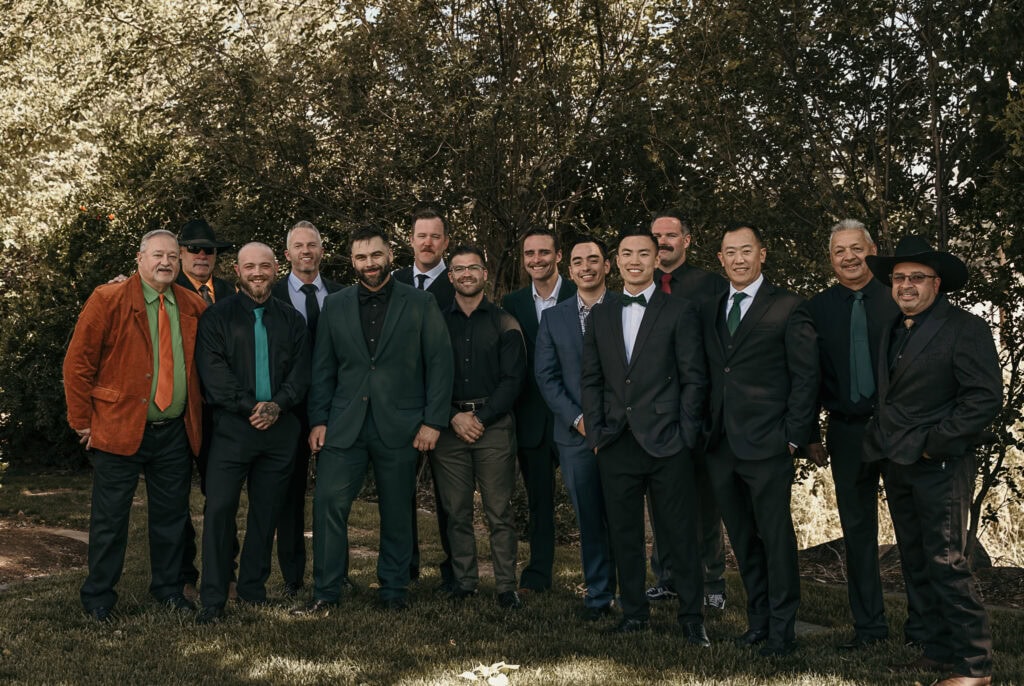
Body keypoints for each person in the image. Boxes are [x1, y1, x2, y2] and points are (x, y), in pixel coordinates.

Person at [864, 235, 1001, 686]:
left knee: (946, 561)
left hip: (940, 464)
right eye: (899, 278)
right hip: (898, 463)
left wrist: (933, 443)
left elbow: (983, 399)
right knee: (917, 559)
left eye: (916, 278)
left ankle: (974, 665)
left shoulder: (965, 328)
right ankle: (939, 651)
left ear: (936, 283)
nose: (906, 285)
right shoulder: (893, 328)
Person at [296, 226, 454, 613]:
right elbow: (323, 369)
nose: (370, 264)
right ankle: (326, 592)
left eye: (376, 256)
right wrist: (318, 419)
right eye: (362, 257)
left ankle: (394, 589)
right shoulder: (335, 305)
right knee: (329, 504)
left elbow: (439, 364)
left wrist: (433, 421)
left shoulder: (419, 304)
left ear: (390, 256)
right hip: (343, 423)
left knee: (397, 508)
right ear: (352, 261)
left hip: (401, 425)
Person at [63, 229, 205, 621]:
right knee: (109, 521)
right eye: (158, 255)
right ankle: (98, 598)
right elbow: (77, 365)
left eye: (173, 257)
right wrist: (82, 423)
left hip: (174, 431)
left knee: (172, 518)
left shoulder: (193, 305)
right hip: (117, 427)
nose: (166, 262)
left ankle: (168, 589)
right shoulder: (107, 299)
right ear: (140, 259)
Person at [580, 227, 709, 645]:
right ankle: (634, 612)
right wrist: (597, 433)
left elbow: (694, 379)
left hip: (668, 441)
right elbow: (592, 379)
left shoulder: (679, 311)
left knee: (679, 534)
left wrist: (687, 434)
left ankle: (692, 617)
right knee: (624, 533)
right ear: (616, 262)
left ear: (657, 260)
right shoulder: (600, 314)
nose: (634, 261)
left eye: (643, 254)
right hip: (617, 441)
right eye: (626, 254)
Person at [701, 223, 818, 657]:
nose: (738, 259)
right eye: (730, 252)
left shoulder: (788, 307)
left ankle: (783, 631)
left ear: (762, 254)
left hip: (769, 444)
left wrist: (793, 438)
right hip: (721, 445)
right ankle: (758, 621)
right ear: (720, 259)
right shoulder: (712, 307)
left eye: (746, 250)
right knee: (743, 539)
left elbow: (806, 378)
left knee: (775, 538)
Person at [194, 243, 311, 624]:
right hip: (231, 431)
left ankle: (252, 589)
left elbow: (301, 373)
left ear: (276, 268)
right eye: (250, 266)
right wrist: (252, 408)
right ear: (237, 270)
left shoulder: (293, 320)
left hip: (280, 432)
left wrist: (277, 404)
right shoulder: (216, 318)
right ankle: (212, 597)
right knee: (219, 511)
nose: (257, 272)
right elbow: (214, 375)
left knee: (266, 514)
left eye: (264, 265)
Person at [806, 220, 901, 649]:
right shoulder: (817, 308)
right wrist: (810, 434)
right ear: (831, 260)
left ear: (872, 250)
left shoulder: (898, 298)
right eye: (839, 251)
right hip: (846, 433)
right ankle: (870, 629)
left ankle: (923, 629)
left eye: (856, 248)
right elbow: (805, 376)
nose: (848, 257)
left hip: (899, 431)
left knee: (912, 531)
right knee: (858, 534)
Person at [431, 245, 527, 608]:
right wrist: (451, 417)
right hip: (449, 427)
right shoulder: (436, 321)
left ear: (485, 274)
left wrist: (480, 419)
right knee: (456, 511)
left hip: (494, 427)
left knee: (498, 511)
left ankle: (506, 586)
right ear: (450, 276)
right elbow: (426, 376)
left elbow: (513, 381)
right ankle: (465, 582)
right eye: (459, 269)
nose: (466, 274)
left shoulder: (505, 323)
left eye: (474, 267)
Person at [646, 211, 729, 610]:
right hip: (654, 413)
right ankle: (666, 578)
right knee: (662, 500)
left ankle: (712, 582)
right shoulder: (638, 286)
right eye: (656, 235)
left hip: (699, 410)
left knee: (703, 503)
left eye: (670, 235)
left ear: (686, 241)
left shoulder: (712, 287)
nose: (663, 241)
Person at [534, 236, 616, 620]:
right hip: (574, 435)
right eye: (579, 261)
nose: (586, 267)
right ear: (570, 270)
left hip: (622, 433)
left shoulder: (626, 309)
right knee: (589, 518)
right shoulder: (553, 318)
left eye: (594, 260)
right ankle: (599, 597)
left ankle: (636, 592)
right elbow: (546, 377)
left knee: (624, 516)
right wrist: (580, 421)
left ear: (607, 266)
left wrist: (612, 423)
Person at [270, 220, 344, 597]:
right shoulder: (272, 294)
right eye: (298, 246)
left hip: (336, 408)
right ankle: (293, 576)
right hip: (289, 410)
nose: (306, 251)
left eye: (312, 245)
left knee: (336, 494)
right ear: (287, 254)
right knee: (290, 494)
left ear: (321, 251)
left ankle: (337, 571)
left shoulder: (343, 294)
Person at [501, 227, 576, 594]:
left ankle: (603, 578)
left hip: (576, 415)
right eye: (529, 254)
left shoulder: (580, 294)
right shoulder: (512, 303)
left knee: (592, 499)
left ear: (558, 256)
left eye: (544, 252)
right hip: (531, 417)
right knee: (539, 503)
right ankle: (537, 576)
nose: (536, 260)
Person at [392, 205, 456, 589]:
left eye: (435, 235)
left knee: (449, 498)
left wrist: (441, 412)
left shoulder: (459, 280)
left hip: (441, 405)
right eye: (421, 235)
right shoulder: (393, 280)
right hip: (398, 407)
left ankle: (454, 570)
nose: (428, 242)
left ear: (445, 241)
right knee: (401, 492)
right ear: (411, 240)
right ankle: (406, 566)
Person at [175, 218, 235, 598]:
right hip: (181, 410)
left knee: (223, 498)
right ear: (180, 254)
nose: (201, 254)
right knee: (176, 499)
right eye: (193, 248)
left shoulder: (233, 292)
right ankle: (182, 576)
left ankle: (226, 574)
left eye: (208, 249)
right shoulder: (164, 289)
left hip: (223, 414)